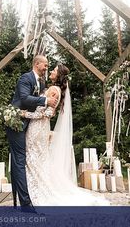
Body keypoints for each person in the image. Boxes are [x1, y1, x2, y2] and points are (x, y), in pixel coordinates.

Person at [23, 63, 110, 206]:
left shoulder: (53, 89)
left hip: (37, 128)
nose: (51, 71)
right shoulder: (54, 88)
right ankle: (34, 188)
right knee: (36, 159)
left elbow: (48, 113)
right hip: (40, 128)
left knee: (33, 158)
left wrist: (26, 114)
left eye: (54, 70)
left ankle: (38, 190)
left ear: (59, 75)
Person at [6, 55, 57, 209]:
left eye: (48, 66)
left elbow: (39, 104)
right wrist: (46, 101)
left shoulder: (41, 82)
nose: (46, 68)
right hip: (15, 122)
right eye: (45, 65)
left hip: (27, 123)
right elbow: (24, 98)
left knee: (18, 161)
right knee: (20, 160)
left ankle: (20, 199)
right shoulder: (25, 78)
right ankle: (25, 203)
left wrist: (49, 110)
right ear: (37, 64)